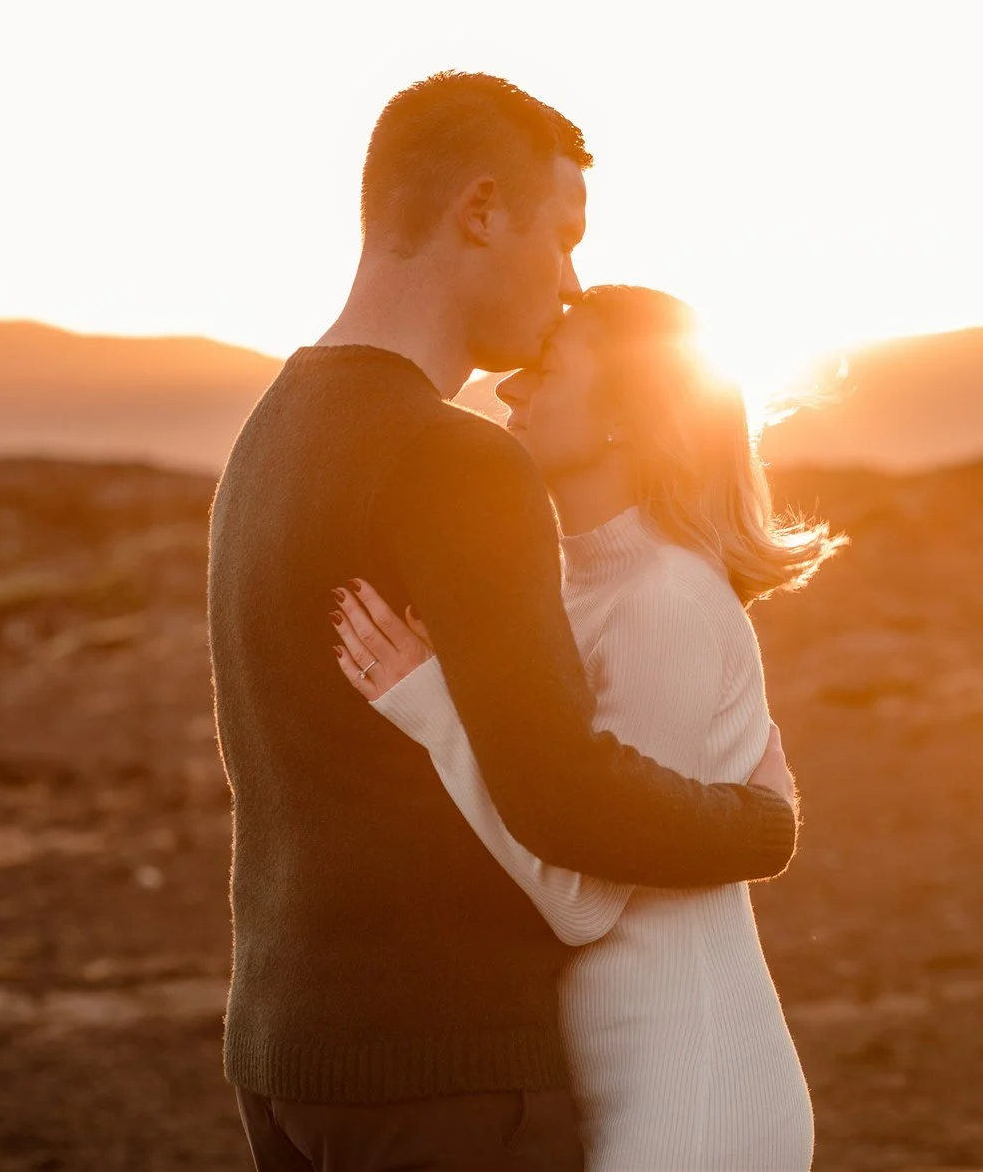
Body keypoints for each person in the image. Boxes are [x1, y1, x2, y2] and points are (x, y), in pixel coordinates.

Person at [209, 72, 800, 1171]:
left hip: (286, 1056)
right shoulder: (456, 459)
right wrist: (763, 826)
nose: (568, 281)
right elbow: (562, 793)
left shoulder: (273, 429)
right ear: (481, 212)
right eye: (563, 237)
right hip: (440, 1071)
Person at [328, 284, 840, 1170]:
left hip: (693, 1091)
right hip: (620, 1077)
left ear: (624, 416)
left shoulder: (665, 601)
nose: (508, 390)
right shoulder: (575, 588)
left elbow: (581, 903)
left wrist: (430, 705)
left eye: (546, 369)